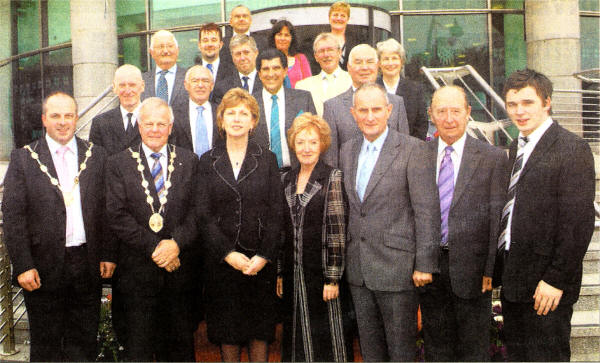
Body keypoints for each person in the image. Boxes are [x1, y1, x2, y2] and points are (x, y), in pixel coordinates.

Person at [2, 92, 116, 361]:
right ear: (44, 120)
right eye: (55, 116)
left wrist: (109, 253)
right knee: (46, 344)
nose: (62, 122)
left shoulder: (97, 155)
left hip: (87, 262)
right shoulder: (23, 159)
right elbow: (14, 217)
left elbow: (107, 209)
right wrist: (23, 265)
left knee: (84, 342)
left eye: (68, 115)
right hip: (42, 268)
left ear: (77, 118)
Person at [498, 69, 595, 361]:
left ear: (547, 102)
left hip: (547, 287)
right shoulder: (516, 147)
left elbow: (578, 224)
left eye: (528, 102)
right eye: (512, 104)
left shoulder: (571, 148)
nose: (519, 111)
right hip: (515, 282)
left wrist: (555, 279)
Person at [339, 83, 439, 361]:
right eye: (363, 110)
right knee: (371, 352)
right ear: (353, 113)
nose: (370, 117)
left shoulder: (413, 149)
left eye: (376, 110)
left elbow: (426, 211)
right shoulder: (347, 150)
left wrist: (424, 264)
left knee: (400, 352)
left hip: (398, 270)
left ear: (389, 111)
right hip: (359, 270)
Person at [105, 97, 201, 361]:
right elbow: (116, 214)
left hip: (179, 275)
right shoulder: (117, 163)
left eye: (161, 123)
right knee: (139, 351)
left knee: (180, 351)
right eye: (149, 123)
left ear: (171, 126)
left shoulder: (189, 160)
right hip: (137, 277)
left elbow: (198, 211)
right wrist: (156, 248)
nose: (155, 129)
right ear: (139, 125)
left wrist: (176, 244)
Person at [419, 85, 507, 361]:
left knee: (474, 349)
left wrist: (492, 269)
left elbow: (496, 217)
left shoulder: (492, 157)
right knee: (436, 347)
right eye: (441, 111)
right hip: (430, 270)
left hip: (473, 271)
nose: (449, 118)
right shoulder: (418, 154)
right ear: (431, 114)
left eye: (456, 111)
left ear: (468, 113)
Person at [198, 88, 283, 361]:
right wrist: (227, 253)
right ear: (221, 120)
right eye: (230, 113)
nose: (237, 119)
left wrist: (264, 256)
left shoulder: (267, 159)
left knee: (260, 335)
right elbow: (203, 214)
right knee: (228, 335)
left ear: (253, 121)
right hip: (222, 265)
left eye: (243, 113)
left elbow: (276, 212)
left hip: (259, 264)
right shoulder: (207, 161)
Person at [277, 113, 347, 362]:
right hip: (293, 274)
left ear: (322, 144)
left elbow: (337, 231)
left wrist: (333, 278)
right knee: (296, 340)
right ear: (293, 144)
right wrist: (279, 273)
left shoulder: (332, 177)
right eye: (301, 142)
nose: (306, 148)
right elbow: (282, 231)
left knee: (326, 340)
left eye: (313, 142)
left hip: (322, 276)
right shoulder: (285, 179)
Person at [322, 44, 409, 167]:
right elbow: (330, 159)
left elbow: (405, 150)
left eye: (370, 62)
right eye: (358, 62)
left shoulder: (396, 103)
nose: (364, 67)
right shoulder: (332, 107)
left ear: (377, 66)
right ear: (348, 67)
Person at [252, 48, 317, 171]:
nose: (271, 74)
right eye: (266, 69)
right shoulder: (249, 103)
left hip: (298, 173)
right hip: (261, 175)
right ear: (259, 74)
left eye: (276, 68)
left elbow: (316, 138)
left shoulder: (303, 99)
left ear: (285, 71)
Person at [376, 38, 428, 140]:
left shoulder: (415, 90)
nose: (390, 63)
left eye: (394, 58)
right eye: (386, 59)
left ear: (402, 61)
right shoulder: (371, 89)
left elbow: (421, 125)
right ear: (379, 63)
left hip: (408, 151)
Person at [89, 64, 144, 155]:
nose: (127, 91)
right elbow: (96, 162)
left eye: (132, 85)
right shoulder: (100, 123)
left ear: (142, 86)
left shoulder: (156, 120)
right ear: (114, 87)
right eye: (122, 85)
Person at [296, 33, 352, 116]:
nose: (326, 55)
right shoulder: (303, 86)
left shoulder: (353, 80)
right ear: (316, 57)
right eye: (321, 51)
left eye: (330, 50)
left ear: (339, 53)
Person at [171, 65, 222, 156]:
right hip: (185, 168)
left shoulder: (221, 113)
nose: (200, 85)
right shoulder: (174, 114)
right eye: (195, 81)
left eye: (205, 81)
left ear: (212, 86)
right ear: (186, 85)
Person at [141, 30, 187, 113]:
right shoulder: (142, 80)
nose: (165, 51)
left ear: (177, 50)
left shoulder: (189, 78)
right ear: (151, 52)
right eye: (160, 47)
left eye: (170, 46)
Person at [212, 34, 263, 105]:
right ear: (232, 57)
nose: (242, 58)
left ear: (256, 53)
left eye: (246, 52)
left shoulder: (267, 81)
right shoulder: (222, 88)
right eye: (238, 54)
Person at [194, 22, 235, 94]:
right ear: (199, 45)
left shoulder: (233, 72)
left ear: (221, 45)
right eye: (205, 40)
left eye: (214, 40)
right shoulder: (191, 73)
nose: (209, 44)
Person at [269, 20, 312, 88]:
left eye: (286, 35)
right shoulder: (267, 59)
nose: (282, 38)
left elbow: (309, 84)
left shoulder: (301, 59)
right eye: (279, 34)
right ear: (274, 37)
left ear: (292, 39)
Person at [328, 1, 360, 71]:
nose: (339, 18)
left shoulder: (355, 42)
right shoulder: (323, 41)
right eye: (335, 15)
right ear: (329, 18)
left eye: (343, 15)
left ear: (347, 19)